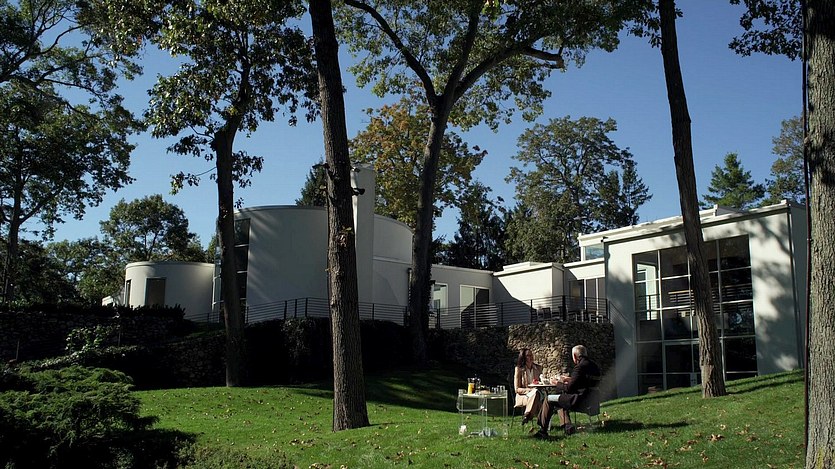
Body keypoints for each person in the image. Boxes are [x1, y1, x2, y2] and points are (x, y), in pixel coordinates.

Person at [545, 344, 601, 435]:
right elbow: (585, 381)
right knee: (560, 398)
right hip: (593, 402)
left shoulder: (579, 367)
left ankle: (542, 430)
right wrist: (570, 379)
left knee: (549, 399)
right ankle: (567, 426)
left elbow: (569, 388)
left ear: (575, 356)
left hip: (579, 402)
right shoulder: (594, 366)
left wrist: (556, 383)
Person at [514, 348, 550, 438]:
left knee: (537, 393)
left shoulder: (538, 368)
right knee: (535, 394)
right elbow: (517, 389)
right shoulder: (519, 369)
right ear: (523, 357)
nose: (531, 357)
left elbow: (541, 382)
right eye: (528, 355)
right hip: (523, 395)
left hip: (538, 393)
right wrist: (529, 390)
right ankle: (539, 421)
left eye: (531, 355)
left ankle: (527, 415)